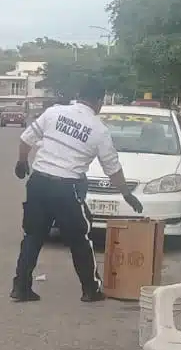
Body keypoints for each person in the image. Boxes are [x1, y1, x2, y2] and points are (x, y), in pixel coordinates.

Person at [11, 82, 143, 303]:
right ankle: (90, 290)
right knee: (80, 240)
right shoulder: (99, 130)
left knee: (32, 236)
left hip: (39, 182)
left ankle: (21, 288)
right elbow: (113, 168)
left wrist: (22, 162)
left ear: (79, 96)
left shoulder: (54, 112)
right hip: (67, 188)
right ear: (99, 102)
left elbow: (26, 139)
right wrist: (126, 194)